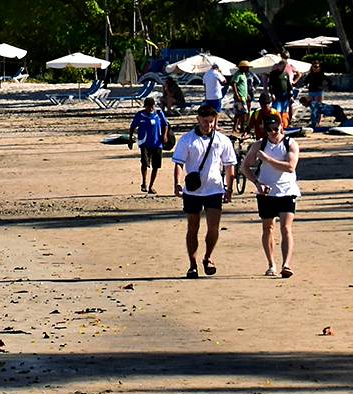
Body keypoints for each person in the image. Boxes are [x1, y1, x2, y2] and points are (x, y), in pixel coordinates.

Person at [171, 104, 237, 278]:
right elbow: (179, 163)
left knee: (213, 227)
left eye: (211, 121)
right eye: (205, 121)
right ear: (198, 119)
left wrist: (229, 188)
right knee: (193, 227)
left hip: (215, 189)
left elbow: (230, 165)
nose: (208, 125)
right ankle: (192, 264)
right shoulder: (187, 140)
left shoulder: (222, 140)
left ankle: (208, 257)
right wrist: (177, 183)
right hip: (193, 191)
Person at [242, 124, 301, 277]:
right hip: (266, 193)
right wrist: (257, 183)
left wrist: (267, 159)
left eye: (276, 128)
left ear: (281, 127)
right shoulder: (259, 145)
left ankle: (286, 264)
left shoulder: (290, 143)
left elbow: (290, 167)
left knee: (286, 228)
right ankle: (271, 264)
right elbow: (245, 167)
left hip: (287, 191)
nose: (273, 132)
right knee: (268, 228)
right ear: (265, 130)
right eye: (270, 129)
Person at [128, 96, 172, 194]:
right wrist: (130, 139)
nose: (150, 109)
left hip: (157, 143)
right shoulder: (140, 115)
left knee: (155, 166)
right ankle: (144, 182)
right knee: (144, 163)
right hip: (144, 143)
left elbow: (166, 125)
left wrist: (165, 136)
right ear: (145, 106)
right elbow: (132, 127)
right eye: (148, 107)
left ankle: (151, 186)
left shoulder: (159, 114)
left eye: (152, 106)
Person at [304, 62, 328, 129]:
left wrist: (324, 87)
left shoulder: (322, 75)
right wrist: (306, 85)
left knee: (318, 107)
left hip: (319, 92)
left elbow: (329, 81)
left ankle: (318, 122)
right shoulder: (310, 75)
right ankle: (313, 122)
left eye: (317, 67)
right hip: (311, 92)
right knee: (312, 107)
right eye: (314, 67)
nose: (315, 68)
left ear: (320, 68)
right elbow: (305, 82)